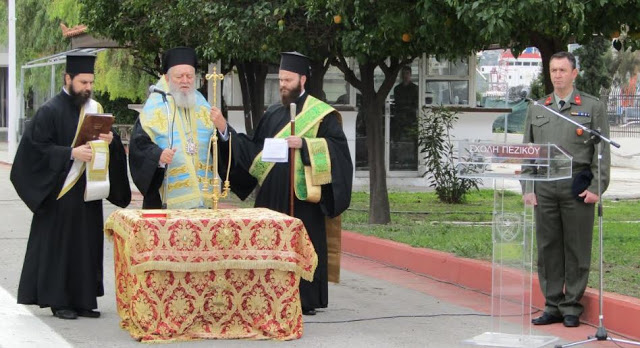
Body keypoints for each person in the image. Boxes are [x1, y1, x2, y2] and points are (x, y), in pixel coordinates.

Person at [210, 52, 353, 316]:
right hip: (272, 199)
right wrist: (225, 131)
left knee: (303, 244)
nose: (283, 85)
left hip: (303, 202)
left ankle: (305, 298)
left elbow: (339, 152)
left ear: (303, 79)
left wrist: (307, 145)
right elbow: (253, 151)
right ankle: (269, 294)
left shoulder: (322, 115)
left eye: (288, 80)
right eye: (281, 80)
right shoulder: (273, 113)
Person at [10, 52, 131, 320]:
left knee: (86, 245)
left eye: (91, 82)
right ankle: (59, 301)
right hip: (60, 192)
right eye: (82, 82)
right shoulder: (49, 111)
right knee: (61, 247)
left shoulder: (96, 110)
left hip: (88, 190)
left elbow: (106, 149)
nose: (88, 87)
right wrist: (70, 153)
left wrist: (110, 141)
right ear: (68, 79)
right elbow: (34, 151)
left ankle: (83, 299)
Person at [522, 51, 610, 328]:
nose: (557, 75)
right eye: (553, 70)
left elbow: (603, 151)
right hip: (545, 186)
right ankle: (552, 305)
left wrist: (597, 186)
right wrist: (528, 186)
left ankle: (571, 305)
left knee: (576, 248)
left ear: (574, 73)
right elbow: (528, 151)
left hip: (577, 186)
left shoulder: (592, 107)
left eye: (562, 70)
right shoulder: (538, 107)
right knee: (548, 248)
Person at [129, 47, 216, 209]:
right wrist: (158, 156)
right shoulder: (155, 107)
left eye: (189, 76)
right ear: (167, 78)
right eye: (179, 76)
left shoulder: (203, 105)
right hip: (164, 202)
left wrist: (223, 128)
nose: (185, 80)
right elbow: (138, 146)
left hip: (203, 203)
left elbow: (219, 143)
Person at [391, 65, 419, 169]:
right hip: (400, 117)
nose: (405, 76)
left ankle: (414, 160)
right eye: (403, 74)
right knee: (397, 138)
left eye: (407, 73)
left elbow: (415, 104)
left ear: (410, 75)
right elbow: (398, 103)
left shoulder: (415, 88)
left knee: (414, 139)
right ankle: (396, 159)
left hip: (411, 117)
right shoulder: (397, 89)